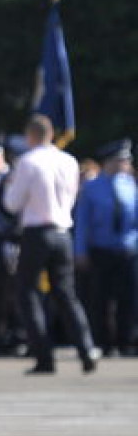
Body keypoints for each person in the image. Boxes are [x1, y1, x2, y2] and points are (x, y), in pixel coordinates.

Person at [0, 114, 99, 374]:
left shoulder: (28, 161)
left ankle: (44, 356)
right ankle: (86, 348)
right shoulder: (68, 161)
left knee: (27, 293)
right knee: (66, 294)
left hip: (36, 232)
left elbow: (12, 204)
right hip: (63, 232)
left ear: (31, 135)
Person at [74, 138, 137, 356]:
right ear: (109, 162)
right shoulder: (92, 188)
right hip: (101, 251)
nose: (125, 163)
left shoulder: (130, 186)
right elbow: (83, 223)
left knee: (127, 299)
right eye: (121, 160)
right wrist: (80, 251)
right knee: (101, 299)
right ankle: (103, 342)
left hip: (127, 251)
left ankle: (125, 342)